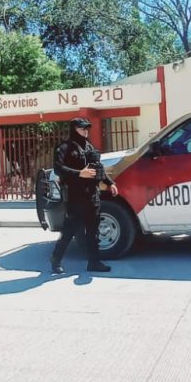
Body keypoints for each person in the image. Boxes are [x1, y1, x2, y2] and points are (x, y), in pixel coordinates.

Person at [50, 117, 119, 274]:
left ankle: (94, 263)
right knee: (69, 231)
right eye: (82, 129)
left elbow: (98, 167)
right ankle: (56, 259)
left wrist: (110, 183)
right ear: (74, 129)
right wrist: (80, 173)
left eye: (87, 128)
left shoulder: (88, 146)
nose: (86, 131)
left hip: (92, 196)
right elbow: (59, 169)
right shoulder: (64, 148)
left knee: (93, 232)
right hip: (75, 197)